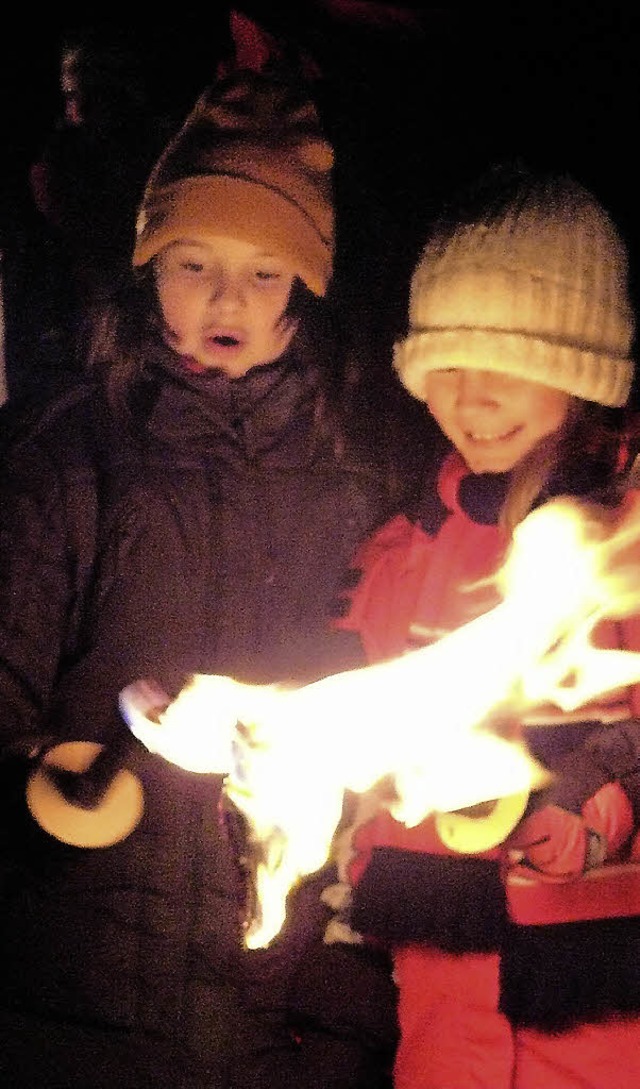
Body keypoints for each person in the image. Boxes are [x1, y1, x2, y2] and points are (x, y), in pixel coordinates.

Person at [0, 68, 399, 1088]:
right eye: (192, 262)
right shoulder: (68, 458)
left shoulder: (361, 477)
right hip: (82, 997)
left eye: (264, 272)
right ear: (149, 274)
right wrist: (46, 777)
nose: (226, 296)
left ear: (306, 292)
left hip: (281, 1005)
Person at [323, 163, 640, 1088]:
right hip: (444, 1004)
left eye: (506, 364)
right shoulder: (406, 551)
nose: (473, 398)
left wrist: (598, 804)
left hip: (604, 1002)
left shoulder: (620, 546)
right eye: (448, 366)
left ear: (582, 373)